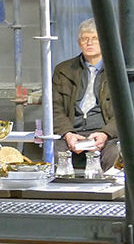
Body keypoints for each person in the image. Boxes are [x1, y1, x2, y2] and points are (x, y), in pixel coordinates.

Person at [52, 18, 121, 171]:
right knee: (55, 152)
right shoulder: (63, 70)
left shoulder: (119, 70)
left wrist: (105, 134)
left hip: (105, 133)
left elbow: (126, 112)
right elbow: (55, 108)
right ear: (79, 42)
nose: (89, 43)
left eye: (95, 38)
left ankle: (104, 193)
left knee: (114, 154)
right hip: (72, 132)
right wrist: (68, 133)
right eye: (85, 39)